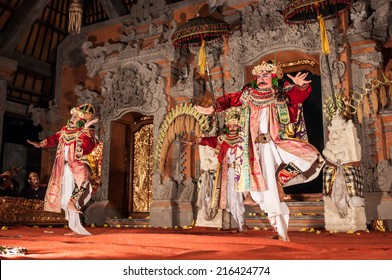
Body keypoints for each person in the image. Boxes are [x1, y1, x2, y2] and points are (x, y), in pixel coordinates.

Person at [195, 61, 324, 242]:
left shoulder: (281, 94)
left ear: (273, 78)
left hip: (277, 144)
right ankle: (281, 233)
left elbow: (297, 96)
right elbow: (230, 99)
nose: (261, 79)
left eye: (266, 75)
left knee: (309, 157)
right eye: (259, 76)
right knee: (265, 194)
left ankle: (281, 180)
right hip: (256, 149)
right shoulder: (249, 94)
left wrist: (301, 87)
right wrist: (214, 107)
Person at [28, 103, 98, 235]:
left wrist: (86, 131)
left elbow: (88, 148)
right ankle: (74, 228)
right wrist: (40, 144)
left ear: (81, 121)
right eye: (73, 116)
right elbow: (54, 139)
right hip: (64, 166)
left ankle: (73, 204)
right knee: (65, 197)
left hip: (77, 164)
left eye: (77, 117)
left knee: (82, 182)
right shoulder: (65, 130)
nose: (73, 118)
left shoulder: (84, 131)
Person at [195, 108, 246, 232]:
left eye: (235, 125)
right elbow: (211, 141)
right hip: (226, 173)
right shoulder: (223, 139)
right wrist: (198, 140)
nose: (233, 127)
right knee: (229, 198)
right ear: (227, 125)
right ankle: (239, 224)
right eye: (231, 125)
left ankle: (241, 224)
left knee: (237, 198)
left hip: (239, 173)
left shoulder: (243, 139)